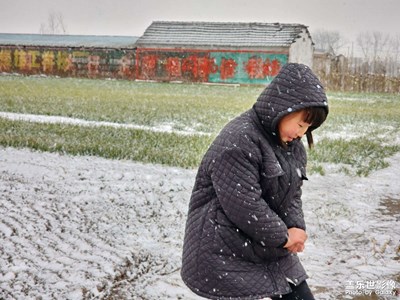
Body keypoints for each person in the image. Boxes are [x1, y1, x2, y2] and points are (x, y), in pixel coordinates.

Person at [181, 63, 329, 300]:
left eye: (309, 126)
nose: (302, 132)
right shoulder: (238, 141)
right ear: (283, 107)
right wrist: (284, 236)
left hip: (265, 243)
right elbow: (244, 204)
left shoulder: (291, 145)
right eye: (301, 122)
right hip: (224, 249)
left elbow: (292, 192)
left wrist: (296, 226)